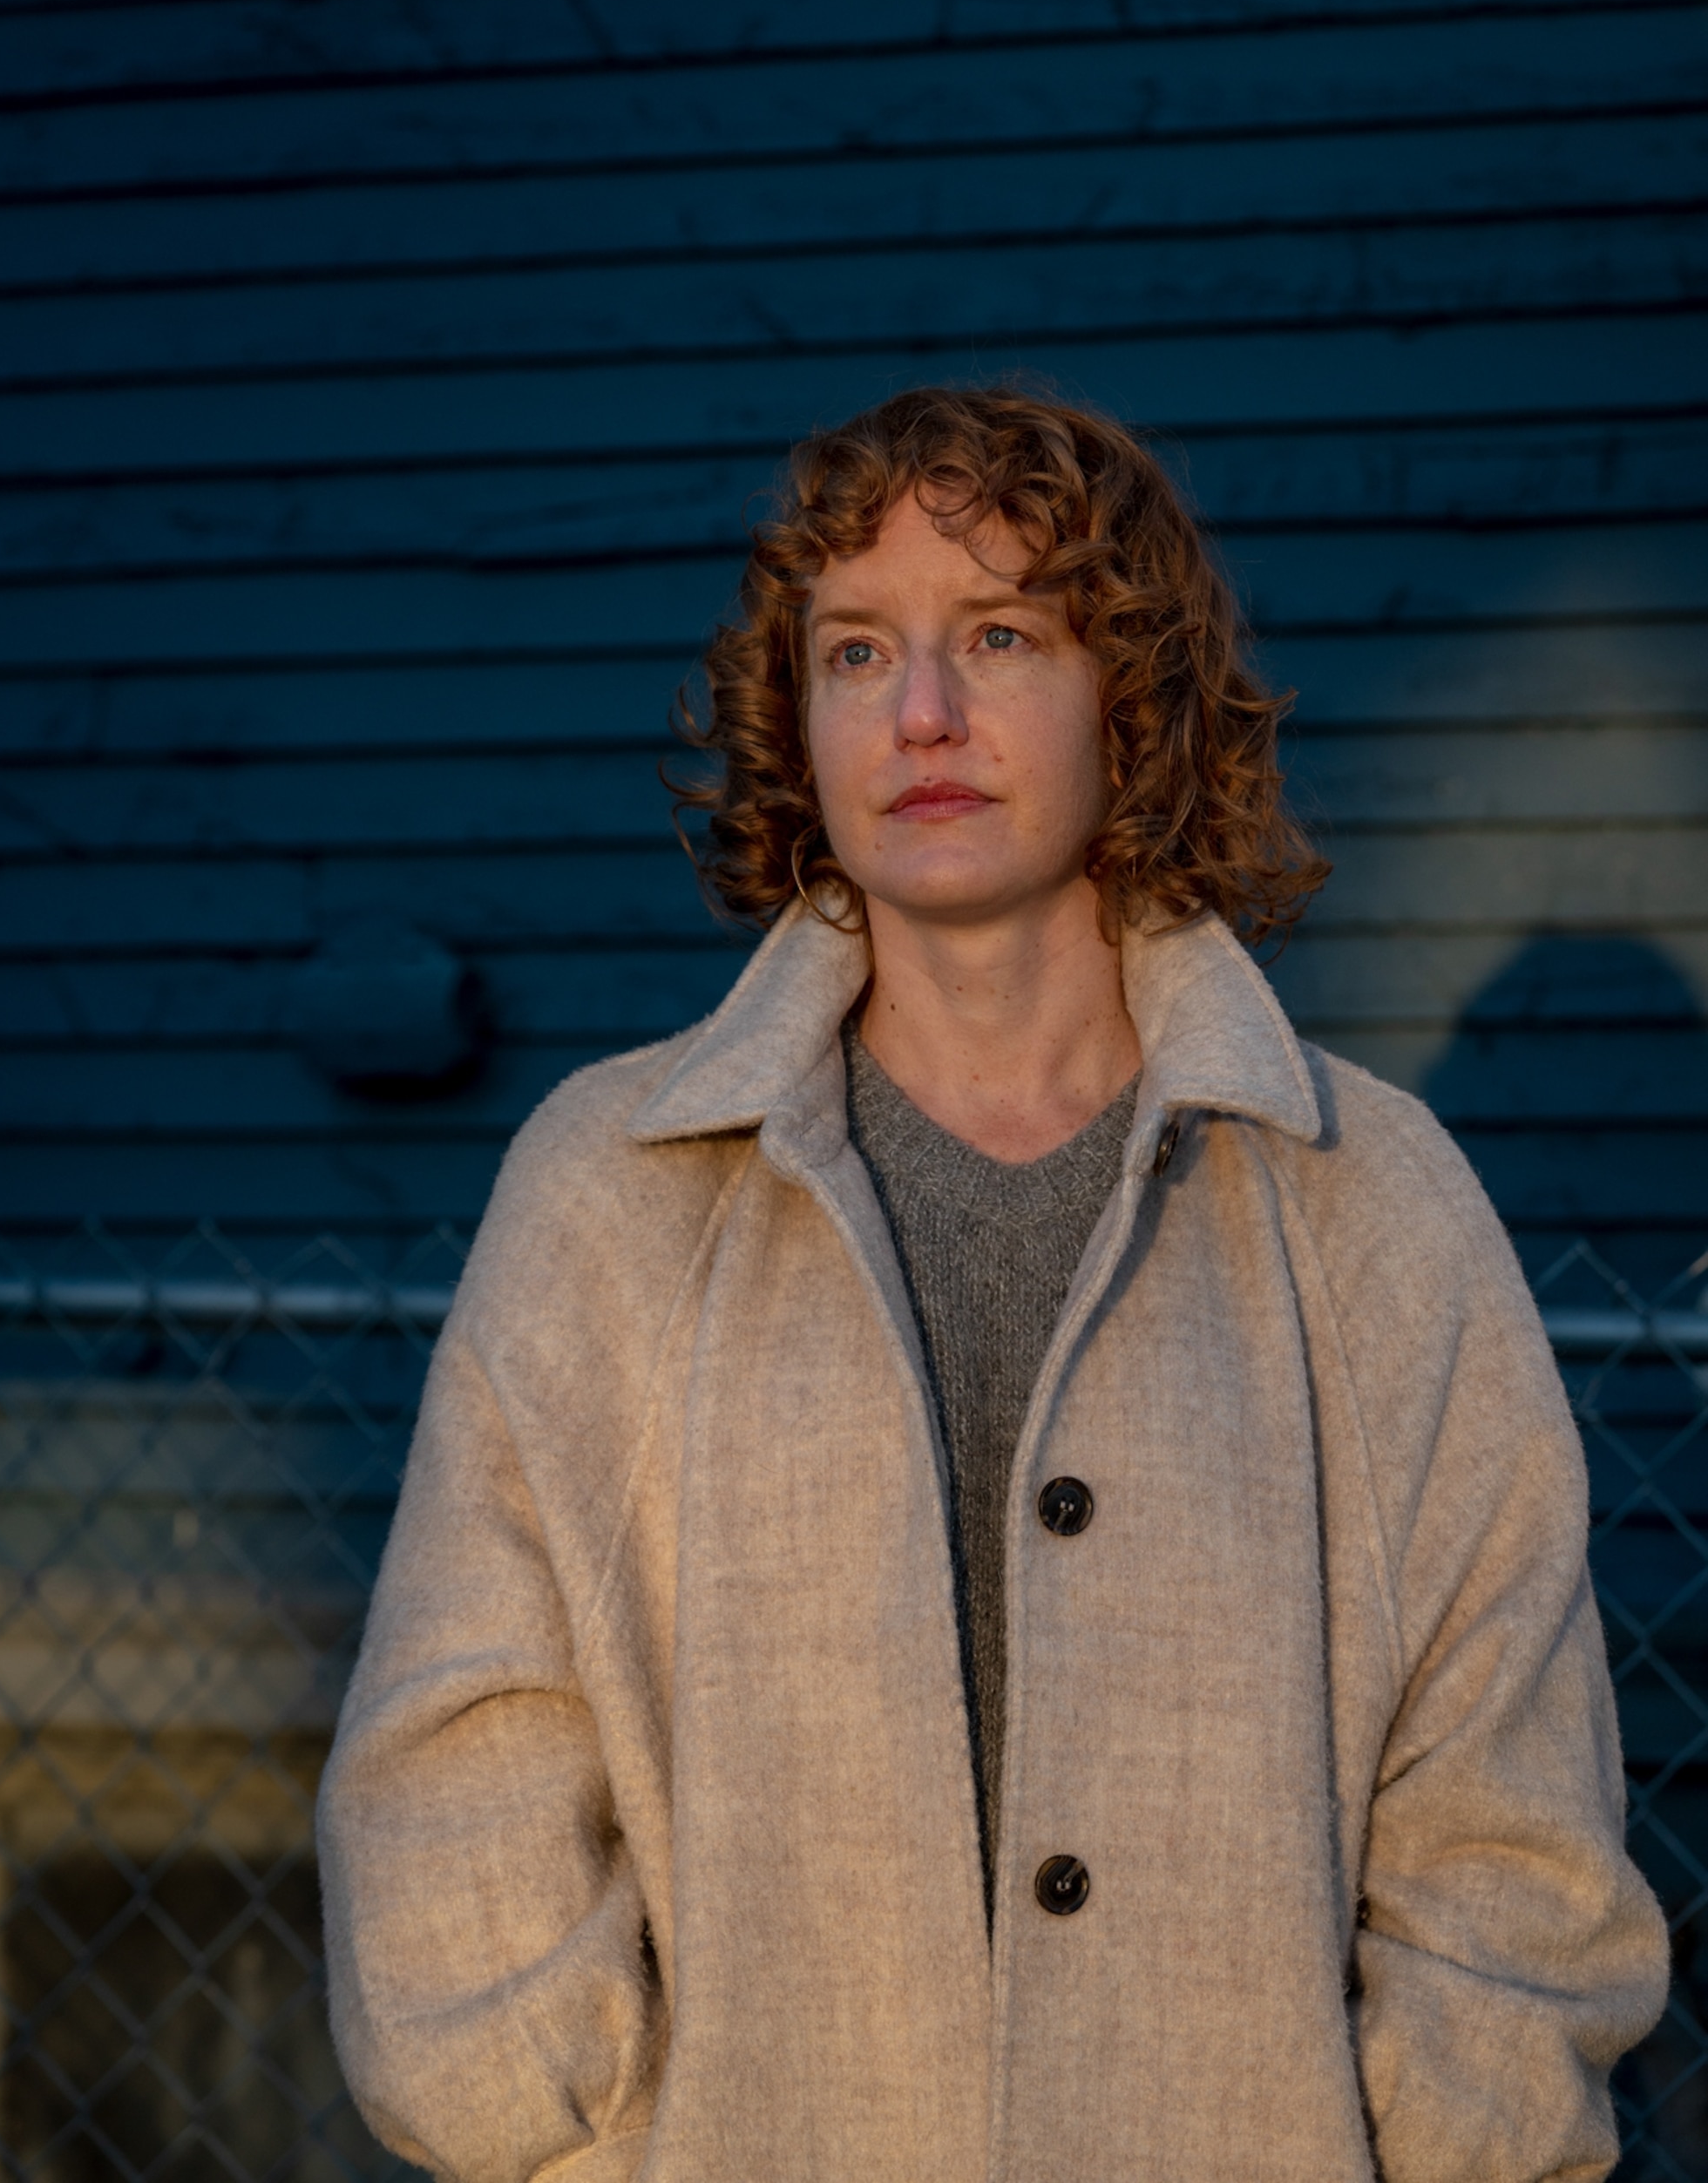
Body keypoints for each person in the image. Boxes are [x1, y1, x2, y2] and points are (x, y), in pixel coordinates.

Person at [317, 383, 1667, 2183]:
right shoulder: (614, 1193)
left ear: (1133, 697)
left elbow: (1505, 1828)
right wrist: (592, 2155)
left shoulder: (1367, 1205)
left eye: (999, 635)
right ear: (795, 720)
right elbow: (453, 1773)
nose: (922, 712)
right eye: (858, 650)